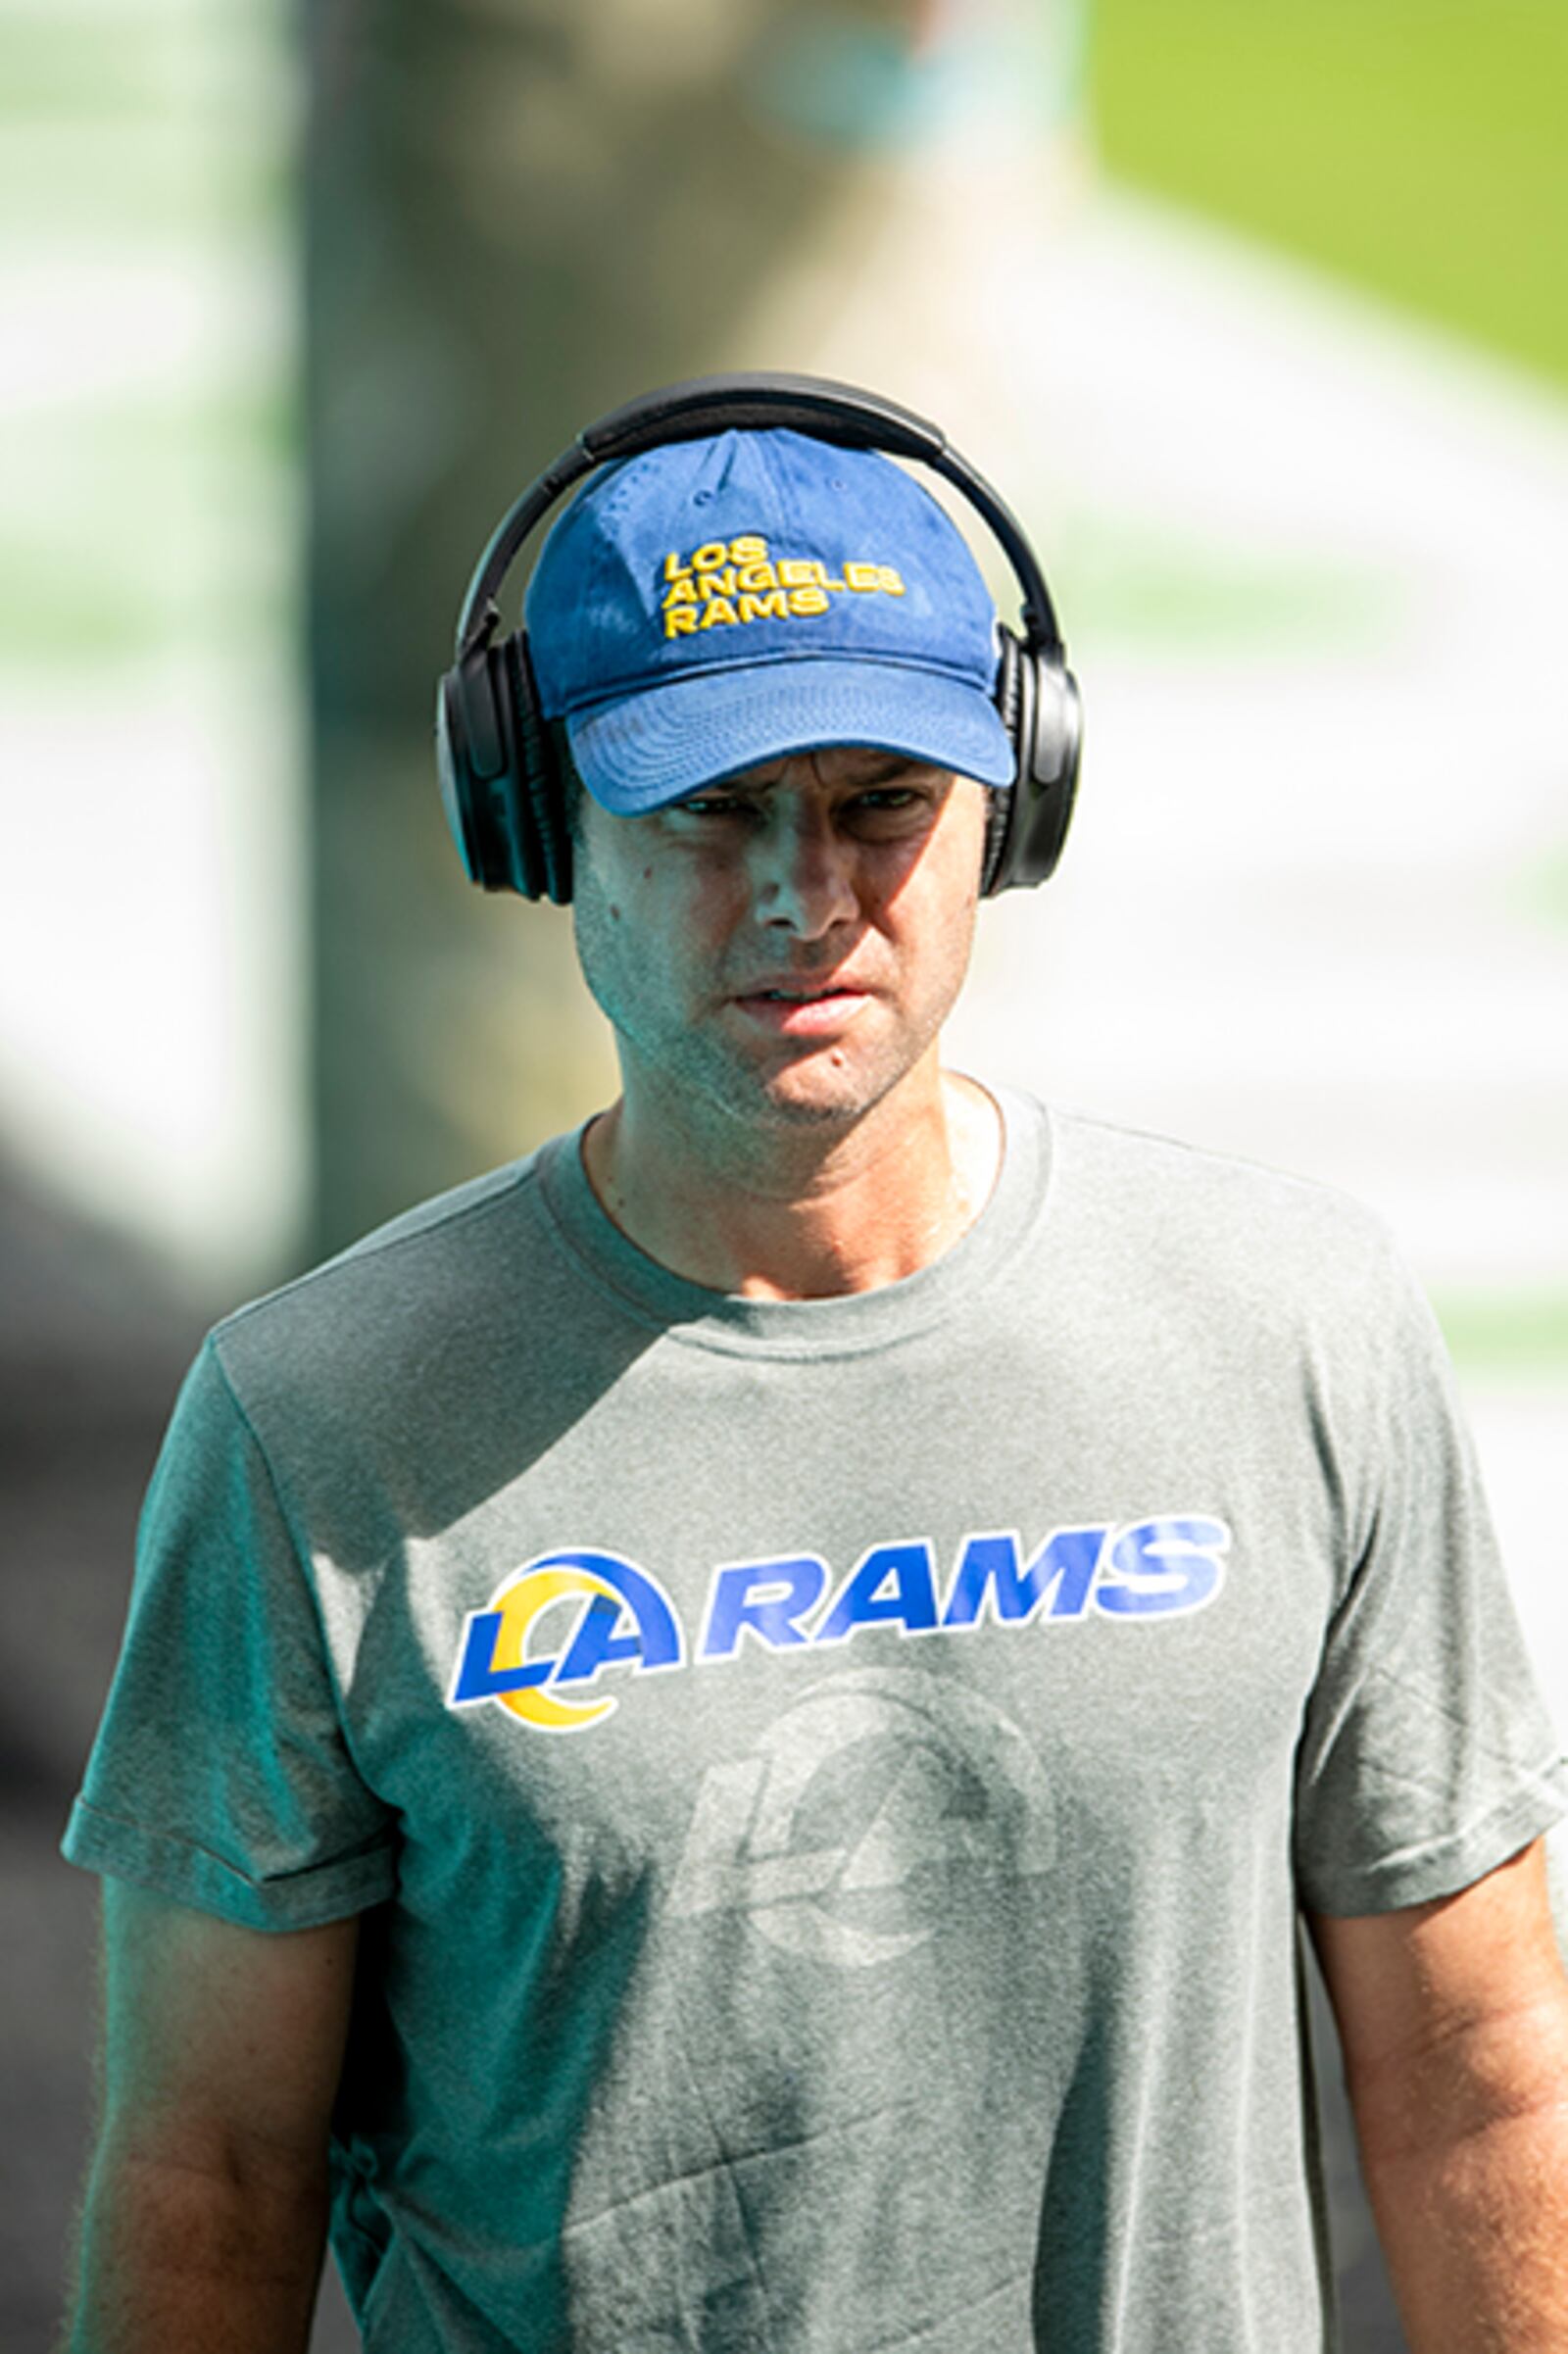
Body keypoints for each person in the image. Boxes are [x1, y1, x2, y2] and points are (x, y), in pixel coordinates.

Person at [63, 385, 1568, 2354]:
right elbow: (211, 2171)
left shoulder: (1292, 1323)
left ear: (1009, 811)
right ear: (534, 821)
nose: (802, 893)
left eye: (879, 806)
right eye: (711, 806)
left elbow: (1476, 2062)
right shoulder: (320, 1418)